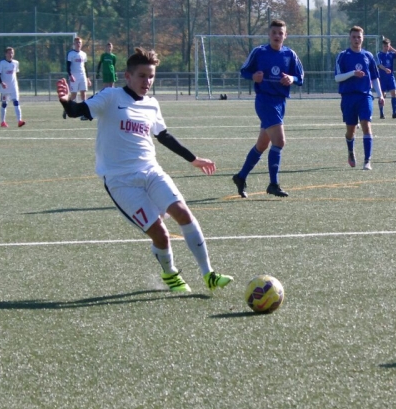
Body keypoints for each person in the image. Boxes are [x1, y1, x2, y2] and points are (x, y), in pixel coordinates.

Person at [57, 47, 232, 294]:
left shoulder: (152, 104)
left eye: (151, 77)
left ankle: (209, 274)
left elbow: (164, 136)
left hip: (151, 172)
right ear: (127, 76)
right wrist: (66, 100)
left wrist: (193, 159)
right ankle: (170, 274)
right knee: (161, 236)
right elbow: (77, 111)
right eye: (142, 76)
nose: (147, 82)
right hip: (121, 181)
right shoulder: (110, 97)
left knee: (183, 214)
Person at [232, 19, 304, 198]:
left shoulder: (290, 55)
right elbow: (244, 71)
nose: (277, 36)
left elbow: (300, 76)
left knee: (263, 144)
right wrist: (253, 76)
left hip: (280, 102)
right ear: (269, 35)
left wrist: (291, 79)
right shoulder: (259, 52)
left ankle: (241, 177)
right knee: (279, 141)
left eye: (281, 33)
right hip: (264, 101)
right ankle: (273, 184)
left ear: (285, 35)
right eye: (274, 33)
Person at [334, 26, 384, 170]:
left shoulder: (368, 56)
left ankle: (367, 160)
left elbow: (374, 78)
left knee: (366, 126)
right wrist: (352, 73)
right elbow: (337, 78)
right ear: (350, 38)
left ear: (363, 38)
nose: (356, 39)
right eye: (354, 37)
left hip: (365, 96)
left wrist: (380, 95)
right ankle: (350, 151)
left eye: (359, 37)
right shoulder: (343, 56)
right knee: (351, 131)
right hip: (348, 97)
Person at [0, 46, 25, 128]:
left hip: (14, 87)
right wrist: (1, 83)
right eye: (9, 53)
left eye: (12, 53)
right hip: (5, 88)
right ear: (5, 54)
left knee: (16, 102)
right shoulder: (2, 63)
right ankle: (2, 122)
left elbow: (15, 73)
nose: (10, 54)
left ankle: (19, 120)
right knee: (4, 104)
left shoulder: (16, 63)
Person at [64, 36, 90, 120]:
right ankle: (66, 108)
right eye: (77, 42)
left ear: (81, 44)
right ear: (74, 44)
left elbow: (85, 67)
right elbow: (68, 66)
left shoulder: (84, 54)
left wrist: (88, 78)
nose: (78, 44)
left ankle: (84, 113)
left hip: (83, 75)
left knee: (83, 94)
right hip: (74, 76)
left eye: (80, 43)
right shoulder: (71, 53)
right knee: (74, 95)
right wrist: (70, 75)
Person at [376, 38, 396, 119]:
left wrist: (392, 49)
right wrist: (385, 69)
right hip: (382, 78)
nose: (386, 47)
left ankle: (394, 113)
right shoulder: (379, 54)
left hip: (390, 77)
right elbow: (379, 65)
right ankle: (381, 114)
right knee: (382, 95)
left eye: (387, 46)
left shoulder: (391, 54)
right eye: (384, 46)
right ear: (382, 46)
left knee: (394, 93)